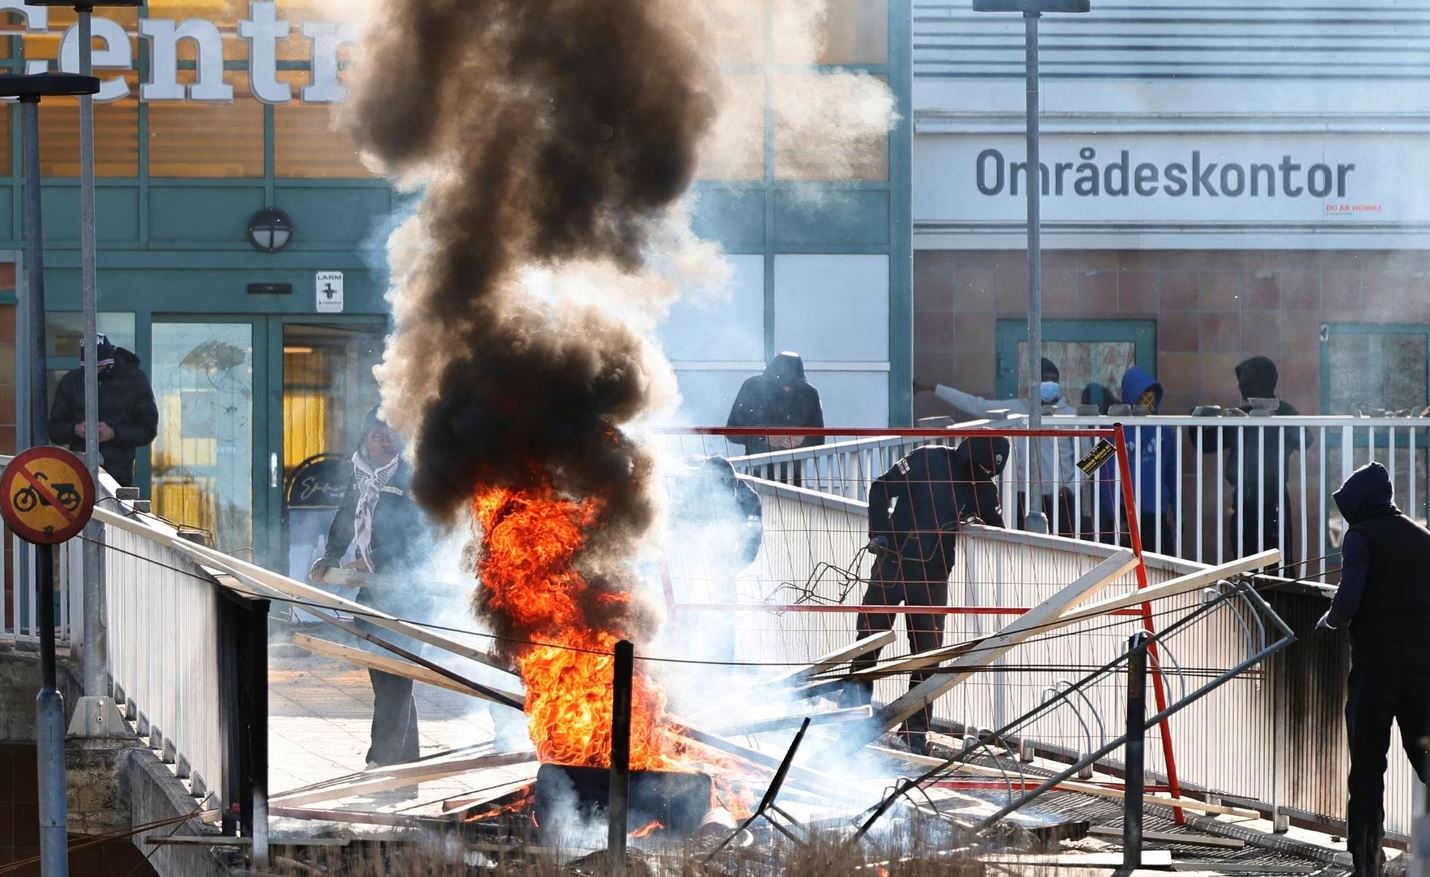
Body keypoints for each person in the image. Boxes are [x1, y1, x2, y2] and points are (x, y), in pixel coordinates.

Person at [843, 436, 1009, 754]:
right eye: (981, 467)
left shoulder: (983, 487)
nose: (983, 475)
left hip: (933, 575)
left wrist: (981, 520)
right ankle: (852, 717)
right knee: (867, 641)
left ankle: (916, 731)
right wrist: (881, 534)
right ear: (968, 456)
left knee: (928, 655)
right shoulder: (926, 459)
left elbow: (998, 525)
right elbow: (881, 488)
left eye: (989, 472)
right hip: (892, 563)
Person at [1316, 462, 1430, 877]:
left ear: (1360, 504)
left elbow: (1347, 602)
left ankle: (1367, 862)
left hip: (1375, 673)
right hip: (1423, 675)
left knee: (1367, 766)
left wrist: (1330, 620)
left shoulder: (1360, 537)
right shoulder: (1423, 539)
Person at [310, 407, 430, 768]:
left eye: (391, 434)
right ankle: (404, 763)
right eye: (378, 435)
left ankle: (382, 761)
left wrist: (374, 560)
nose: (385, 441)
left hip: (410, 592)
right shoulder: (361, 473)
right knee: (387, 677)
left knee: (395, 675)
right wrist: (330, 556)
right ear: (366, 439)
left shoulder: (413, 476)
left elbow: (420, 533)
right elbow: (346, 517)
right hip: (375, 592)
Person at [915, 357, 1078, 536]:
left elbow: (1097, 453)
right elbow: (977, 405)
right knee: (1022, 549)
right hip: (1023, 494)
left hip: (1062, 496)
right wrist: (935, 388)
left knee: (1066, 550)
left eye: (1053, 379)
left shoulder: (1072, 417)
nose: (1049, 384)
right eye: (1043, 379)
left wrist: (1071, 486)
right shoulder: (1017, 410)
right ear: (1032, 383)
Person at [1190, 355, 1311, 570]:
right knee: (1245, 558)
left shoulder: (1284, 412)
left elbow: (1306, 440)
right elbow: (1206, 444)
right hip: (1245, 497)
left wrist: (1271, 422)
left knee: (1278, 559)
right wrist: (1200, 418)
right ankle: (1250, 600)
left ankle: (1278, 602)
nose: (1242, 388)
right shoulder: (1241, 415)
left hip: (1273, 498)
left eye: (1245, 381)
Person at [664, 456, 763, 662]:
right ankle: (678, 664)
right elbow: (673, 526)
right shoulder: (688, 491)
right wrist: (681, 563)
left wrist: (730, 568)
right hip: (689, 564)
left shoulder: (748, 498)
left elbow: (752, 541)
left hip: (724, 565)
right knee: (684, 617)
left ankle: (723, 670)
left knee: (724, 620)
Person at [48, 333, 158, 487]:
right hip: (77, 474)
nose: (95, 373)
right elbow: (54, 429)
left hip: (118, 475)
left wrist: (114, 433)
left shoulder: (134, 380)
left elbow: (148, 429)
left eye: (101, 367)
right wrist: (75, 429)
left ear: (111, 358)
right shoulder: (71, 381)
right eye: (89, 370)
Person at [1099, 367, 1177, 552]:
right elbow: (1091, 468)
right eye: (1142, 396)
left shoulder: (1163, 430)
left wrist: (1177, 510)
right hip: (1121, 514)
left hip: (1154, 515)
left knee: (1160, 572)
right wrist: (1111, 513)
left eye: (1150, 396)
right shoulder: (1110, 430)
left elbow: (1172, 473)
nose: (1147, 401)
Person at [726, 352, 825, 483]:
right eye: (781, 386)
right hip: (756, 472)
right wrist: (764, 437)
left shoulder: (809, 393)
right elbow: (732, 431)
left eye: (791, 386)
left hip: (792, 475)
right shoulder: (752, 387)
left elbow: (819, 437)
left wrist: (802, 439)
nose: (787, 389)